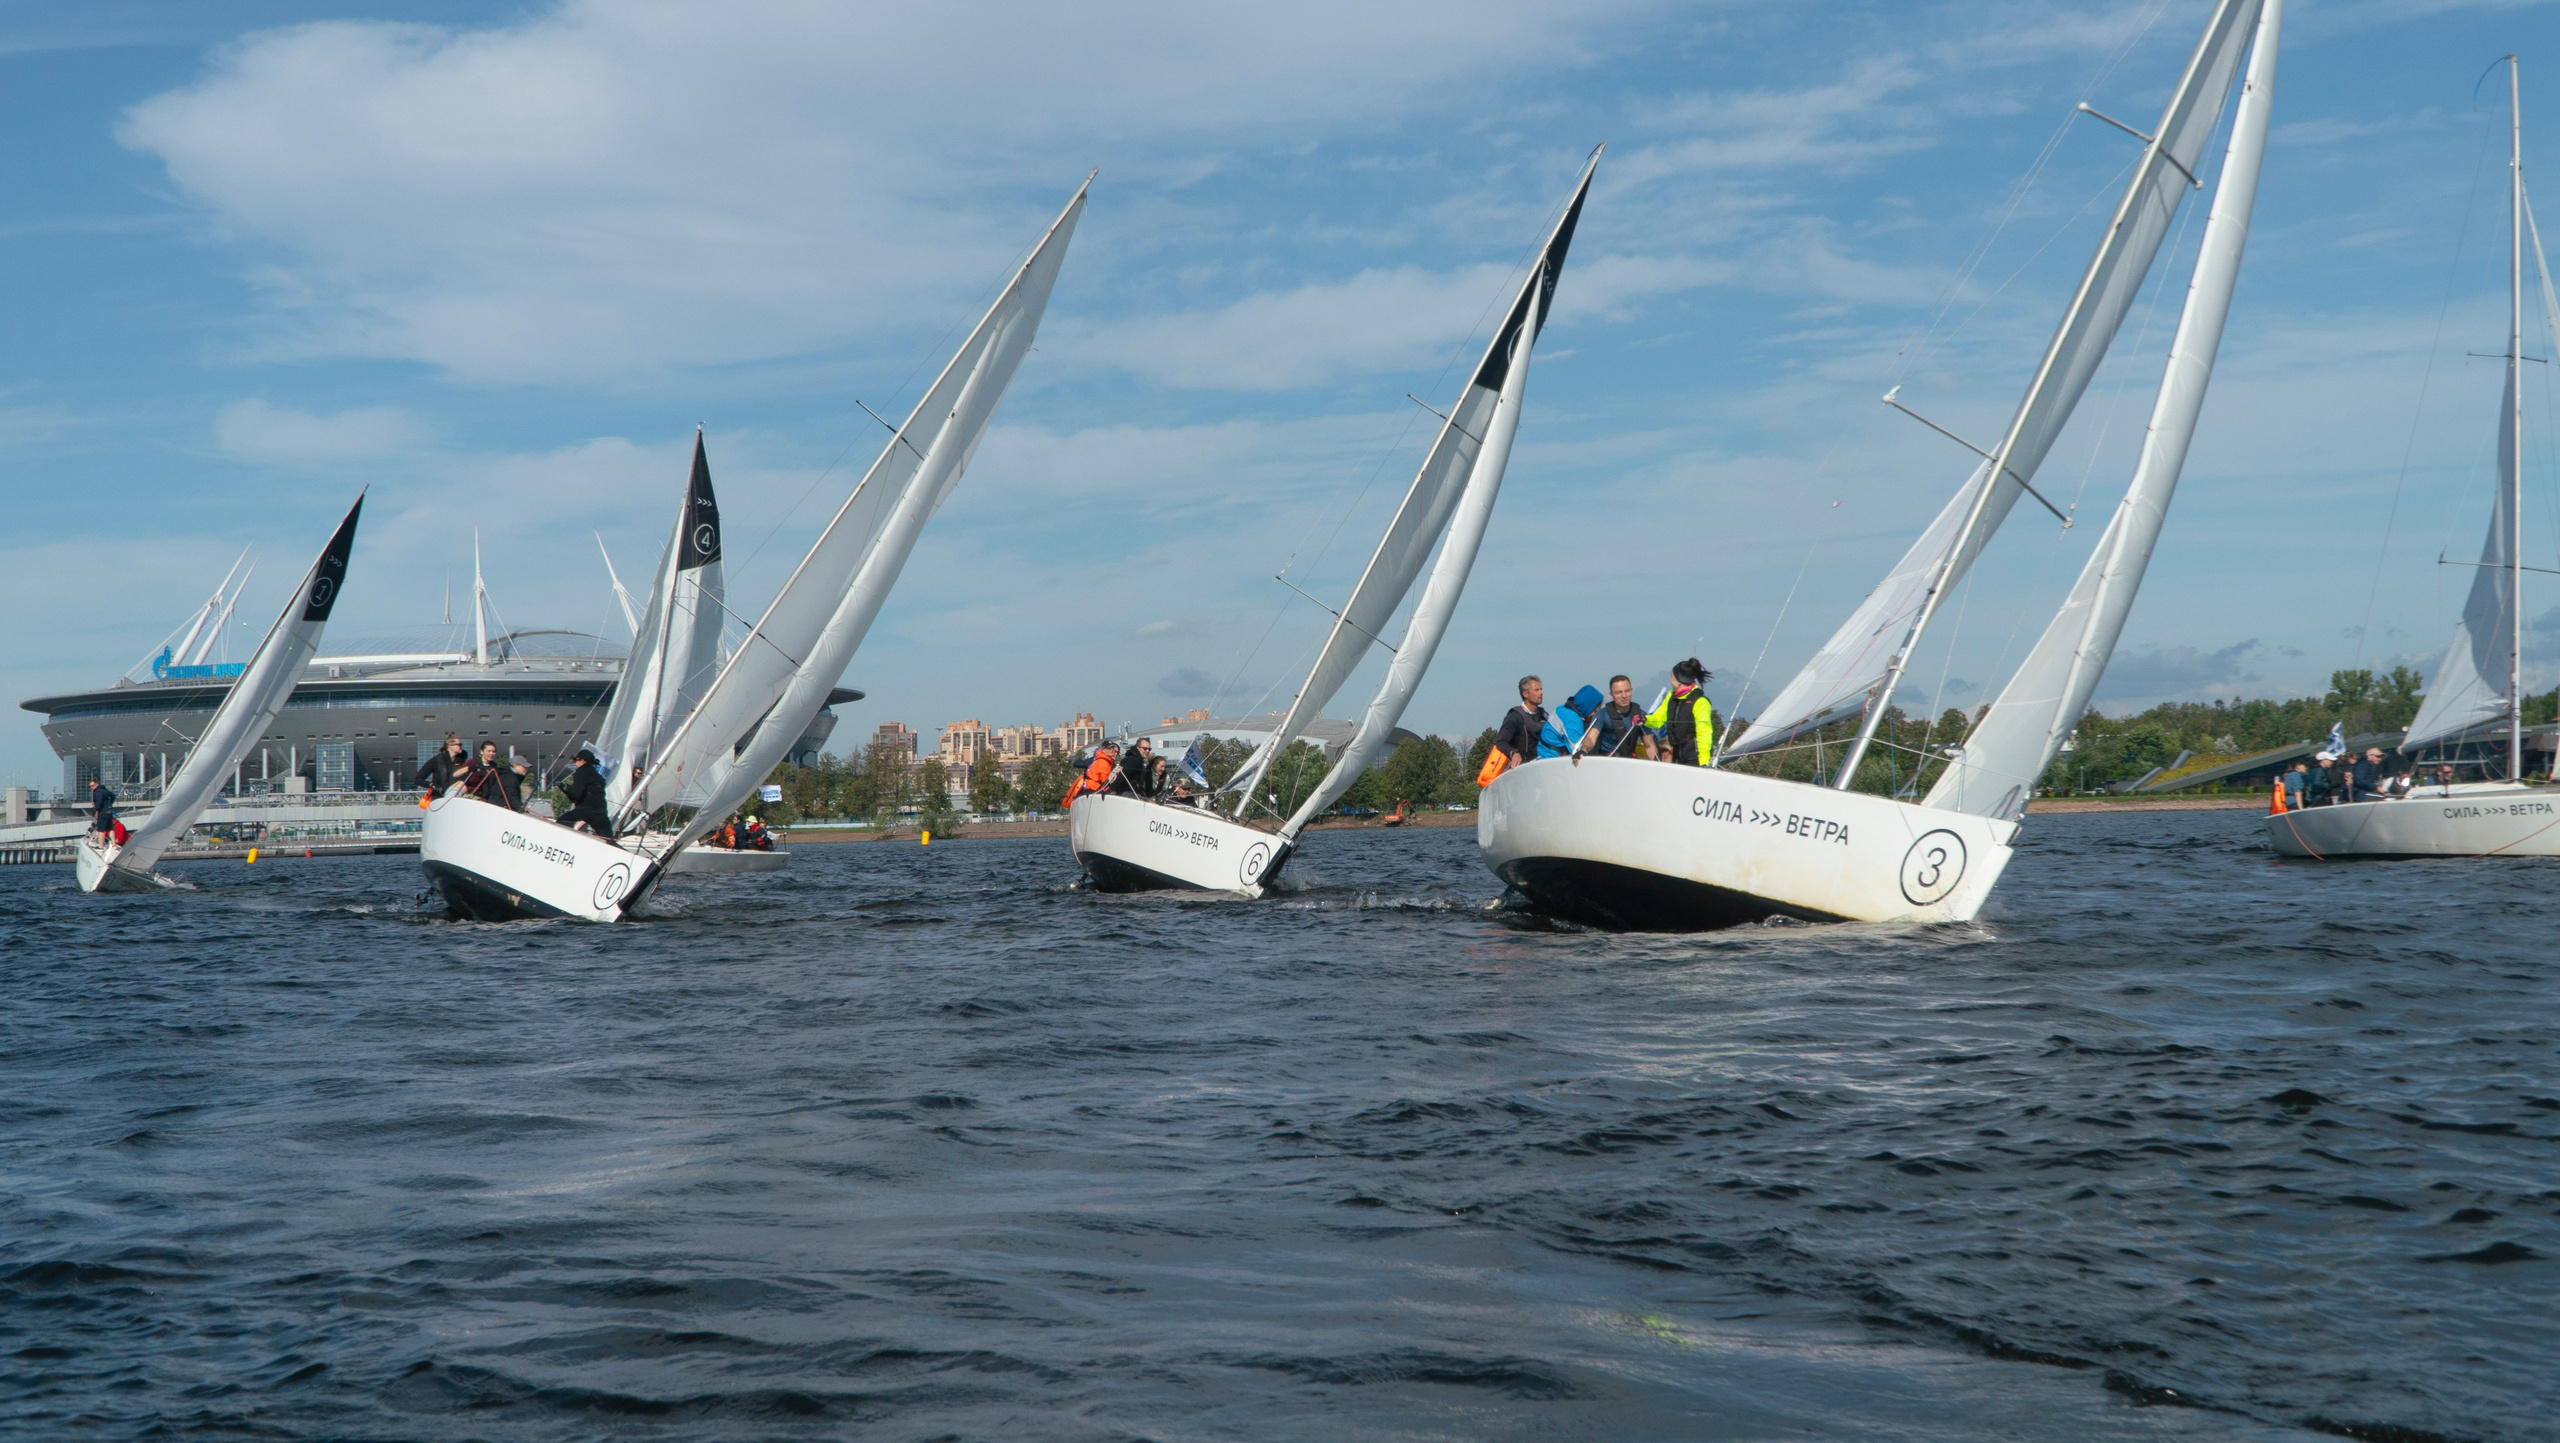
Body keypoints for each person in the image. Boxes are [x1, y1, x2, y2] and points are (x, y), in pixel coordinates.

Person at [1645, 658, 1715, 766]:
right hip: (1677, 753)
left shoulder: (1700, 702)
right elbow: (1659, 718)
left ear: (1679, 680)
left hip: (1694, 756)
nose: (1669, 680)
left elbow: (1704, 733)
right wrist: (1644, 720)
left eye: (1671, 677)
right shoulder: (1671, 696)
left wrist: (1704, 761)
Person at [1576, 675, 1650, 764]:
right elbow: (1591, 738)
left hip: (1630, 762)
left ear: (1632, 691)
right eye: (1618, 692)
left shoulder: (1640, 715)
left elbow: (1649, 745)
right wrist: (1584, 750)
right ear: (1611, 695)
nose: (1624, 696)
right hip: (1608, 761)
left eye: (1627, 691)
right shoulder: (1602, 715)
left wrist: (1657, 765)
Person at [555, 746, 611, 836]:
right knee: (608, 839)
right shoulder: (599, 776)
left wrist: (565, 788)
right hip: (601, 812)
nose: (575, 762)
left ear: (583, 761)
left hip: (586, 810)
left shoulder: (581, 772)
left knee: (561, 822)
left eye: (576, 760)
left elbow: (576, 796)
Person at [1495, 677, 1548, 769]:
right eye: (1537, 690)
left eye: (1541, 689)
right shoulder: (1515, 716)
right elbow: (1501, 742)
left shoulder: (1544, 715)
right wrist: (1513, 753)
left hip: (1542, 767)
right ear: (1525, 694)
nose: (1541, 692)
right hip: (1522, 770)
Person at [1539, 685, 1603, 758]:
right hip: (1550, 758)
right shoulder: (1573, 720)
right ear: (1586, 706)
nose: (1595, 715)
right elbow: (1577, 750)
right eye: (1594, 711)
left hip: (1541, 751)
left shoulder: (1562, 708)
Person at [464, 742, 529, 812]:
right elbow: (511, 795)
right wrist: (469, 768)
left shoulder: (494, 766)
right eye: (489, 751)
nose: (491, 753)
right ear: (482, 752)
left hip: (488, 798)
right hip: (475, 795)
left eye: (493, 751)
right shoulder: (473, 762)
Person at [1063, 741, 1120, 807]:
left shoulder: (1102, 759)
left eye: (1113, 749)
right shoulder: (1103, 762)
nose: (1112, 751)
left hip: (1091, 789)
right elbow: (1105, 781)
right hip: (1094, 789)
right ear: (1103, 750)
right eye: (1110, 749)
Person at [419, 734, 469, 802]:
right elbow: (418, 779)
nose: (461, 747)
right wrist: (432, 785)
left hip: (455, 796)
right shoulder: (436, 761)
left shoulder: (460, 760)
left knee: (463, 785)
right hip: (438, 797)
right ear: (450, 746)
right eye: (459, 744)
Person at [89, 777, 120, 847]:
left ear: (97, 784)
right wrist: (109, 804)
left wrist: (95, 810)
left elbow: (99, 802)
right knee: (110, 828)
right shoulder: (105, 790)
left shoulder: (97, 792)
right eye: (90, 786)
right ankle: (114, 843)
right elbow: (113, 796)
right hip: (109, 811)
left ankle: (101, 846)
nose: (91, 787)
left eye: (93, 786)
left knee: (101, 830)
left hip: (103, 812)